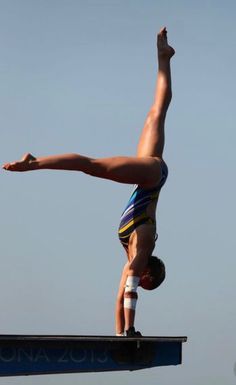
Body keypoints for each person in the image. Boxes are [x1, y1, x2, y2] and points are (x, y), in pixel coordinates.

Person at [3, 27, 175, 337]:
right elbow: (132, 288)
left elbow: (120, 293)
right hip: (150, 177)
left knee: (155, 114)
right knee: (91, 166)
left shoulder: (131, 258)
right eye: (147, 283)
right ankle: (35, 163)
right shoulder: (144, 247)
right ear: (151, 275)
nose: (140, 281)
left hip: (145, 179)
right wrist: (133, 328)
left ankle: (164, 59)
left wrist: (121, 335)